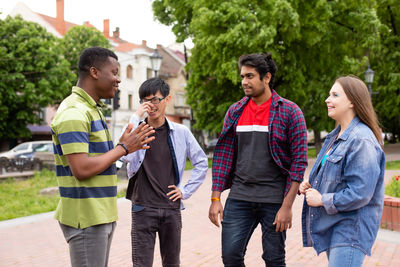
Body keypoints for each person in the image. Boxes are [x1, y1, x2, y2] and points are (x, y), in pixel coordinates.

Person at [51, 47, 155, 267]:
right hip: (86, 216)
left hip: (99, 214)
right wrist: (124, 148)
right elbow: (81, 169)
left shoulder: (93, 109)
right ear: (94, 72)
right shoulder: (74, 112)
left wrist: (123, 146)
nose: (118, 80)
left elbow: (103, 160)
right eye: (114, 72)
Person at [208, 53, 308, 266]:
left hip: (274, 199)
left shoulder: (291, 112)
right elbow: (224, 156)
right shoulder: (235, 111)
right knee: (231, 256)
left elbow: (298, 162)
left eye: (250, 76)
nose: (244, 81)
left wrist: (287, 206)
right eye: (242, 76)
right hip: (240, 196)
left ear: (267, 77)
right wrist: (216, 199)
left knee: (273, 259)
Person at [120, 77, 208, 266]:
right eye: (145, 100)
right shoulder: (137, 131)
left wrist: (185, 191)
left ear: (167, 100)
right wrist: (135, 118)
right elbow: (124, 156)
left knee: (172, 263)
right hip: (143, 208)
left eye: (155, 100)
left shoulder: (181, 132)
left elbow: (201, 162)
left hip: (171, 209)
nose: (150, 105)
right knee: (141, 264)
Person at [300, 76, 385, 267]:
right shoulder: (335, 137)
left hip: (351, 229)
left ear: (352, 102)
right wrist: (312, 186)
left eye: (335, 95)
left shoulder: (361, 140)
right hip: (336, 224)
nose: (327, 100)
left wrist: (322, 199)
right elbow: (339, 178)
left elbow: (360, 193)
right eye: (329, 94)